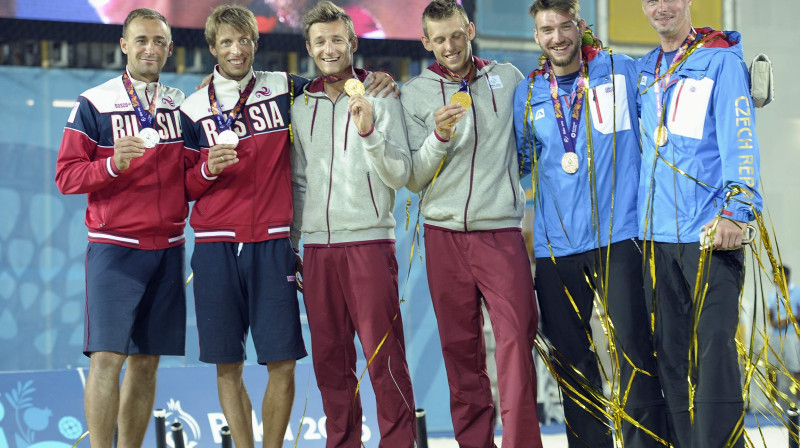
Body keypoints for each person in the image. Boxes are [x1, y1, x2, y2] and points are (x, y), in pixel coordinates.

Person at [513, 1, 668, 446]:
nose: (557, 37)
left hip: (619, 238)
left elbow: (667, 99)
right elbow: (519, 162)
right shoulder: (529, 93)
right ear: (537, 36)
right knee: (573, 362)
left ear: (581, 26)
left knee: (635, 351)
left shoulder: (621, 72)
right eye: (547, 30)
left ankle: (649, 442)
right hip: (555, 249)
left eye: (565, 26)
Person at [400, 1, 543, 446]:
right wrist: (439, 137)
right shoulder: (414, 94)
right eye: (439, 39)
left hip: (500, 232)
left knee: (517, 340)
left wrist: (511, 188)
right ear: (426, 42)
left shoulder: (509, 78)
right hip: (443, 236)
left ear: (471, 30)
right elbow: (413, 177)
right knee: (461, 352)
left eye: (456, 35)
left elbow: (531, 145)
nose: (449, 46)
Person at [55, 8, 187, 448]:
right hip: (115, 248)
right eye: (142, 40)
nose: (151, 48)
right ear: (124, 45)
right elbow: (67, 176)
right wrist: (112, 164)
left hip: (168, 248)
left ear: (169, 49)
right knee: (108, 359)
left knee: (147, 362)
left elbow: (190, 175)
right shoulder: (95, 102)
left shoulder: (177, 104)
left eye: (159, 42)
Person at [179, 5, 308, 448]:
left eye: (244, 40)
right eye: (227, 42)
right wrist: (207, 172)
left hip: (272, 243)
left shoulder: (286, 89)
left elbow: (336, 85)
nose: (237, 50)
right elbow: (183, 187)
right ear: (213, 48)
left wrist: (370, 76)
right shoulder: (193, 107)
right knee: (227, 365)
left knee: (283, 362)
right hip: (216, 248)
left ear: (256, 41)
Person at [289, 2, 416, 446]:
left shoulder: (381, 95)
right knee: (330, 361)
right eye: (320, 41)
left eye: (337, 39)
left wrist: (369, 133)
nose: (329, 48)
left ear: (352, 43)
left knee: (383, 358)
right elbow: (299, 180)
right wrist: (293, 243)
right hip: (318, 251)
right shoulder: (301, 106)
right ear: (308, 47)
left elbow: (400, 172)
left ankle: (399, 442)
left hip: (368, 243)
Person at [637, 0, 763, 446]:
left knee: (714, 349)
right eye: (651, 0)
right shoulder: (645, 69)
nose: (662, 7)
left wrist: (737, 210)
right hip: (656, 236)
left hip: (711, 233)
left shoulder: (720, 61)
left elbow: (740, 138)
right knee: (670, 355)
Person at [768, 266, 800, 398]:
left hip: (792, 334)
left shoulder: (797, 291)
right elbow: (770, 313)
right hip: (775, 334)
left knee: (796, 368)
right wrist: (773, 323)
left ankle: (798, 400)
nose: (775, 278)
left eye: (778, 275)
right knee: (771, 368)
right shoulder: (772, 294)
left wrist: (787, 321)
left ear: (786, 276)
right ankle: (773, 402)